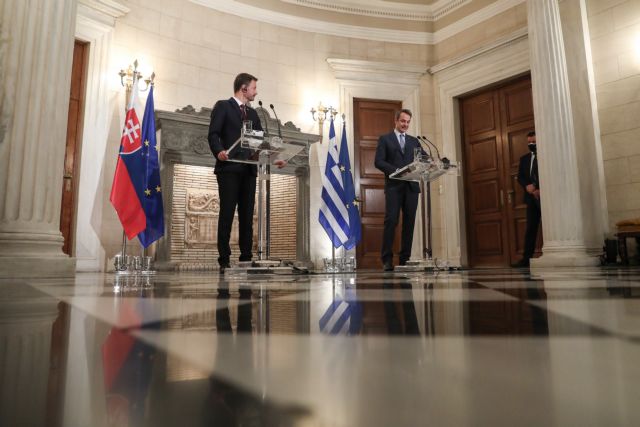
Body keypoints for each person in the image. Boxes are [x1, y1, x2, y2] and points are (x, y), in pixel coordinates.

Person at [207, 73, 263, 273]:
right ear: (244, 88)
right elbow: (213, 134)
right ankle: (224, 258)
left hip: (248, 169)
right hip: (229, 168)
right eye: (254, 88)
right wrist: (219, 151)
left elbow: (259, 142)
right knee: (227, 213)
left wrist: (273, 157)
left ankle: (246, 257)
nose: (256, 92)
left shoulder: (253, 114)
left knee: (247, 215)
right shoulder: (223, 106)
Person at [374, 109, 425, 271]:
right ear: (396, 121)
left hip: (411, 187)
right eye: (403, 121)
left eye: (408, 122)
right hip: (394, 186)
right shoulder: (385, 139)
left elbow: (423, 158)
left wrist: (433, 161)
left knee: (409, 223)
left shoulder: (414, 141)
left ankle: (405, 259)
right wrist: (396, 170)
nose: (405, 124)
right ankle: (387, 260)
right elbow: (378, 161)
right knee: (391, 221)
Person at [513, 131, 540, 268]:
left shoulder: (545, 156)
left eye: (534, 141)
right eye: (529, 142)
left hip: (545, 198)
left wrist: (539, 188)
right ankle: (526, 259)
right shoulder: (524, 159)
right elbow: (521, 176)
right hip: (531, 198)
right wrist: (527, 186)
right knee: (530, 228)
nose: (531, 144)